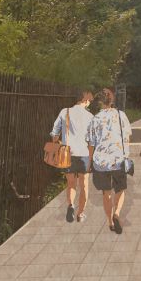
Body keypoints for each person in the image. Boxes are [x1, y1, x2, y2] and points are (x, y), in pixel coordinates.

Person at [87, 88, 132, 233]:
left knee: (106, 192)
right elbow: (127, 137)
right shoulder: (121, 115)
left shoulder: (95, 119)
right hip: (118, 159)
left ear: (100, 102)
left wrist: (89, 162)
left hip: (101, 161)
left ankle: (109, 222)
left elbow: (91, 144)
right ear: (112, 100)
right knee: (120, 189)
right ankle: (117, 214)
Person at [50, 90, 94, 223]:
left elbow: (54, 133)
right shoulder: (90, 117)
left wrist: (57, 143)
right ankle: (80, 214)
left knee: (71, 183)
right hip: (84, 154)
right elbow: (92, 141)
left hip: (68, 154)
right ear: (85, 101)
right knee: (84, 185)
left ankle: (70, 206)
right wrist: (90, 158)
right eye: (89, 102)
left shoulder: (65, 112)